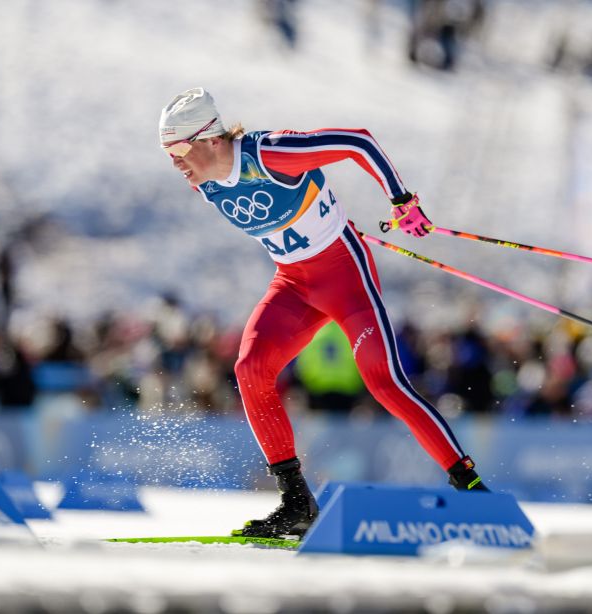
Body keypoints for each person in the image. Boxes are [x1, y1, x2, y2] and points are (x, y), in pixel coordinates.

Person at [158, 87, 489, 539]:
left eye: (178, 147)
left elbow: (359, 142)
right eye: (166, 151)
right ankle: (296, 503)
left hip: (344, 280)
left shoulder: (270, 153)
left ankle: (472, 491)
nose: (174, 160)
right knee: (250, 368)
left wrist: (402, 201)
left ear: (212, 138)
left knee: (383, 381)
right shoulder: (204, 182)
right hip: (293, 285)